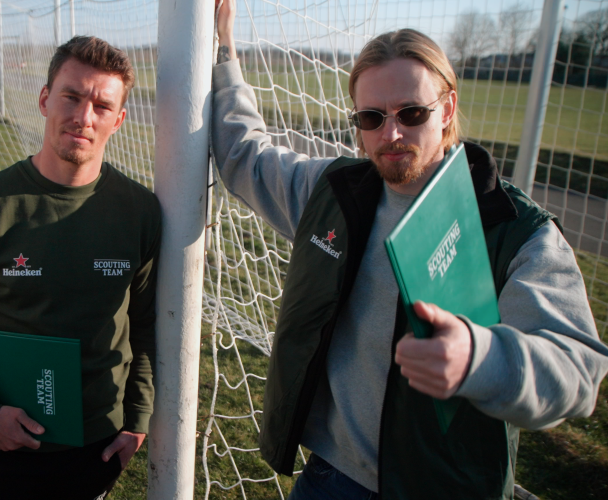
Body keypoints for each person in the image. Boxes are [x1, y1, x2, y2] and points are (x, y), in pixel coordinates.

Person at [212, 1, 608, 499]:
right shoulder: (333, 192)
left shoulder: (513, 229)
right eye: (371, 117)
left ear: (447, 110)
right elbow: (245, 155)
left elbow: (578, 371)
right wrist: (225, 49)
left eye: (412, 113)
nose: (391, 133)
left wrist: (480, 357)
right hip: (331, 477)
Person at [0, 36, 161, 500]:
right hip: (0, 443)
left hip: (96, 445)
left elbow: (145, 323)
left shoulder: (140, 211)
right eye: (71, 97)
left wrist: (137, 420)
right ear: (45, 99)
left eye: (102, 106)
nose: (84, 117)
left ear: (119, 119)